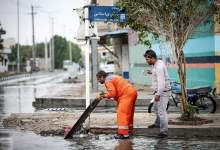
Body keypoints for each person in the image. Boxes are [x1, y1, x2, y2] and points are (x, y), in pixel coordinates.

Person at [96, 70, 137, 139]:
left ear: (103, 77)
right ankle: (129, 130)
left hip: (126, 95)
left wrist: (103, 96)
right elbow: (115, 91)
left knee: (121, 113)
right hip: (132, 92)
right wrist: (105, 94)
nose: (98, 81)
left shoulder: (107, 81)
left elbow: (112, 93)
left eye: (99, 79)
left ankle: (123, 134)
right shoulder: (112, 77)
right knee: (128, 114)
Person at [144, 49, 171, 138]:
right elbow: (158, 74)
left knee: (162, 112)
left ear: (152, 58)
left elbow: (161, 82)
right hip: (159, 91)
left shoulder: (158, 67)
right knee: (156, 108)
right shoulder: (157, 64)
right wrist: (151, 72)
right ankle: (157, 123)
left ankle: (164, 131)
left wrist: (158, 94)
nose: (146, 61)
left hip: (162, 92)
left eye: (147, 59)